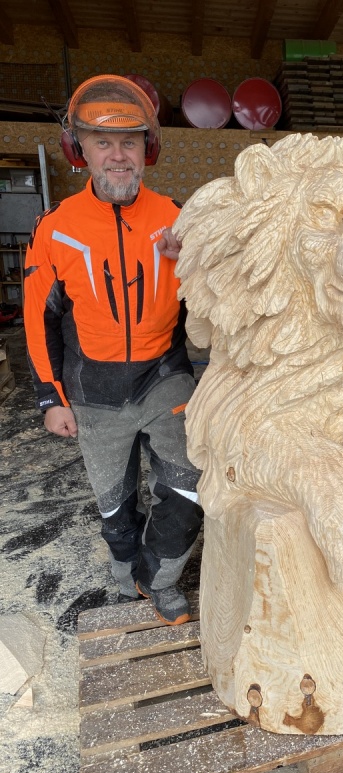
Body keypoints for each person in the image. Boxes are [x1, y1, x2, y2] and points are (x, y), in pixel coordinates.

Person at [24, 75, 203, 626]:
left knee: (189, 489)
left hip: (165, 376)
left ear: (148, 149)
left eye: (129, 141)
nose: (118, 155)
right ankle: (126, 572)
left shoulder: (178, 218)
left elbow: (217, 304)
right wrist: (50, 397)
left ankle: (160, 578)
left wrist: (195, 260)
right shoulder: (55, 229)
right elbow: (38, 319)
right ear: (78, 149)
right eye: (103, 142)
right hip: (92, 387)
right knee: (114, 502)